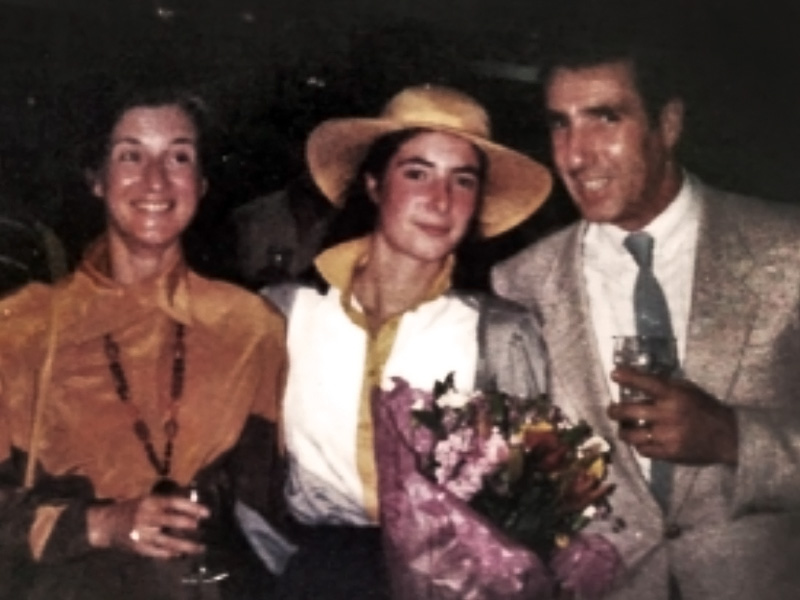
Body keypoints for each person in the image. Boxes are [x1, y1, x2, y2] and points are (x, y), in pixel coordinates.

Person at [492, 11, 800, 600]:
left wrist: (734, 438)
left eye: (605, 118)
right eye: (560, 124)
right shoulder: (520, 283)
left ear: (669, 122)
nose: (576, 156)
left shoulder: (787, 250)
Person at [262, 84, 553, 599]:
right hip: (319, 578)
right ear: (374, 184)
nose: (440, 201)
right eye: (416, 172)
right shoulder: (286, 314)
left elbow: (531, 496)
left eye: (462, 181)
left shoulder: (499, 334)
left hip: (451, 584)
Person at [0, 84, 288, 599]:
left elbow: (263, 512)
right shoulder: (22, 328)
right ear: (96, 178)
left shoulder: (250, 327)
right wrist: (103, 523)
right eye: (130, 155)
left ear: (200, 182)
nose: (155, 180)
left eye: (178, 157)